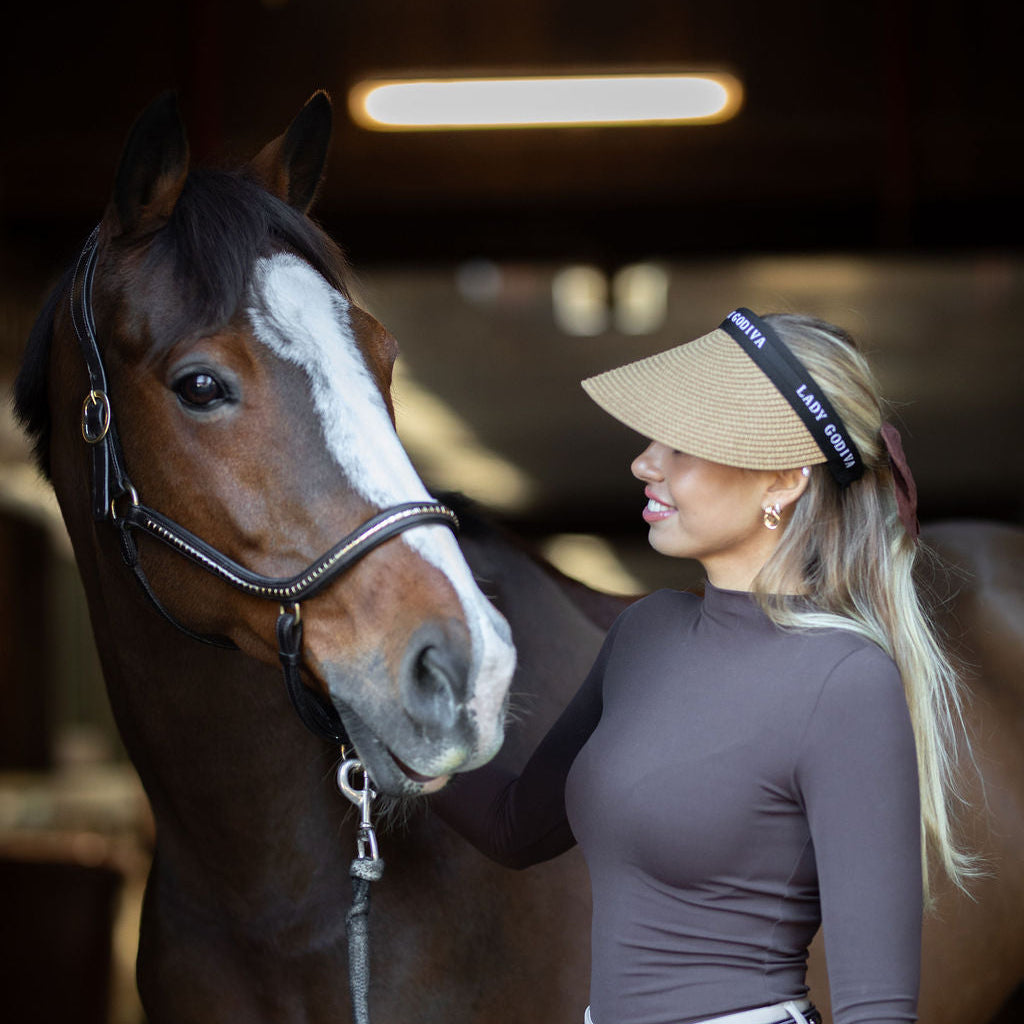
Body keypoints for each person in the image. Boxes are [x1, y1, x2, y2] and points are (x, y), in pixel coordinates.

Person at [431, 308, 975, 1024]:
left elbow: (877, 1010)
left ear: (783, 481)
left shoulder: (845, 682)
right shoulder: (645, 633)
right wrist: (370, 727)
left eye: (683, 445)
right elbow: (513, 827)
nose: (644, 463)